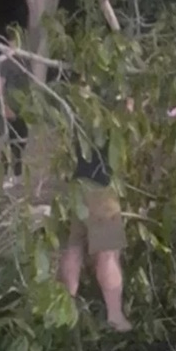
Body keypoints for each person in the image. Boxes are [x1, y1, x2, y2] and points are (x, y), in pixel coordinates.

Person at [58, 87, 132, 333]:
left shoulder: (75, 100)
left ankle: (66, 311)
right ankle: (115, 316)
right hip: (101, 186)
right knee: (108, 253)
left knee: (74, 246)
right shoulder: (111, 104)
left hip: (75, 184)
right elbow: (127, 128)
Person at [0, 36, 30, 189]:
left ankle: (17, 175)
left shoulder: (23, 62)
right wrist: (4, 106)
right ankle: (5, 176)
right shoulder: (6, 63)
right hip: (10, 109)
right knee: (8, 143)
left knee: (20, 142)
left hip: (22, 110)